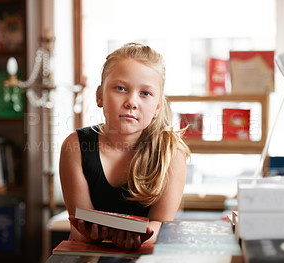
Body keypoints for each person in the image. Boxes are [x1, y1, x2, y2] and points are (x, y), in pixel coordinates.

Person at [59, 42, 190, 250]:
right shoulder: (74, 147)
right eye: (120, 88)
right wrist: (91, 235)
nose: (131, 102)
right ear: (99, 95)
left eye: (145, 93)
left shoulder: (172, 153)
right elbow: (77, 226)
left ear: (157, 107)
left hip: (144, 255)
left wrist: (139, 235)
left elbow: (161, 226)